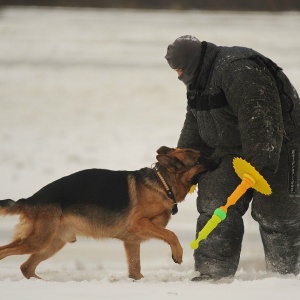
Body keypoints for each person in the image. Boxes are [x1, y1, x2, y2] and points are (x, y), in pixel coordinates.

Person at [165, 35, 300, 281]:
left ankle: (287, 278)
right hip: (229, 148)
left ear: (193, 62)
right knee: (215, 204)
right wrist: (182, 168)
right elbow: (195, 123)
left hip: (278, 143)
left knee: (277, 215)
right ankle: (213, 274)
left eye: (180, 69)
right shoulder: (199, 80)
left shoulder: (238, 68)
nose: (178, 76)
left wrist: (260, 157)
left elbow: (259, 113)